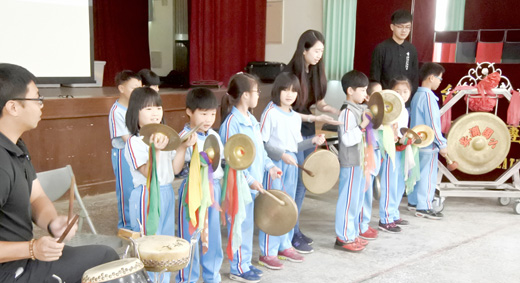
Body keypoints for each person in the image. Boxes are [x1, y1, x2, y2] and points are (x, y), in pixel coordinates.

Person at [0, 63, 119, 283]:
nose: (41, 105)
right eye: (37, 98)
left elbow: (35, 196)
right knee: (106, 260)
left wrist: (52, 221)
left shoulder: (16, 145)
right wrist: (32, 248)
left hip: (24, 260)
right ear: (13, 107)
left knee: (105, 257)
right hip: (9, 272)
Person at [124, 87, 196, 283]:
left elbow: (174, 170)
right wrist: (155, 150)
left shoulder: (166, 138)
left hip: (165, 192)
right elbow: (148, 174)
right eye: (148, 109)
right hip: (146, 195)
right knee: (148, 246)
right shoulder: (134, 142)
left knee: (164, 244)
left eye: (158, 107)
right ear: (135, 113)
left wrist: (181, 147)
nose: (155, 113)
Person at [258, 72, 325, 270]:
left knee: (288, 206)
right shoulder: (270, 113)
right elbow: (261, 144)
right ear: (277, 91)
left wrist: (312, 141)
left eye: (293, 91)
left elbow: (296, 145)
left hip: (292, 162)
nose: (289, 94)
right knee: (273, 207)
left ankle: (285, 245)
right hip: (275, 166)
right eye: (285, 90)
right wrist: (280, 155)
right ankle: (267, 252)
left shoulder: (295, 117)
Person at [219, 73, 281, 283]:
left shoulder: (252, 120)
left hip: (254, 183)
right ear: (245, 95)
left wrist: (270, 166)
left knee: (246, 226)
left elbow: (260, 151)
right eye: (256, 92)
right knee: (238, 225)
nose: (258, 96)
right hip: (239, 185)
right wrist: (248, 179)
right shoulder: (231, 124)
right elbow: (230, 160)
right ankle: (237, 267)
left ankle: (245, 263)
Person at [284, 29, 340, 253]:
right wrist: (316, 117)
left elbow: (320, 103)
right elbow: (285, 112)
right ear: (304, 50)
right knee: (294, 183)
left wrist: (336, 112)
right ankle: (288, 231)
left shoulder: (314, 72)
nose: (319, 56)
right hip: (292, 134)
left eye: (322, 52)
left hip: (308, 132)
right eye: (316, 51)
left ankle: (294, 229)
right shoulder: (289, 74)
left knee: (303, 183)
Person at [176, 87, 224, 283]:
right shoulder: (185, 137)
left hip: (213, 190)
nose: (209, 119)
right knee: (190, 237)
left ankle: (213, 277)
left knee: (212, 236)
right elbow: (178, 169)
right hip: (192, 191)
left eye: (212, 113)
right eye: (203, 113)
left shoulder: (215, 135)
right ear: (189, 111)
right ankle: (187, 279)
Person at [334, 70, 370, 252]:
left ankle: (352, 233)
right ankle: (343, 237)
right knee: (347, 200)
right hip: (350, 163)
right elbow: (348, 139)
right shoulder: (347, 112)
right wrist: (363, 125)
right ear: (350, 91)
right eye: (362, 90)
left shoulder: (358, 109)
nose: (365, 94)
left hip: (358, 162)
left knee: (355, 200)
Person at [408, 63, 447, 219]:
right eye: (439, 79)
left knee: (415, 173)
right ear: (431, 78)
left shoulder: (417, 94)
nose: (439, 82)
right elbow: (433, 124)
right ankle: (424, 206)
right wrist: (441, 143)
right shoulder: (428, 96)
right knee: (427, 175)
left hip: (415, 142)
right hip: (428, 144)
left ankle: (413, 202)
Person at [378, 76, 413, 233]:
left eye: (405, 91)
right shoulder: (387, 109)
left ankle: (393, 213)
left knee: (399, 183)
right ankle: (385, 218)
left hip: (401, 149)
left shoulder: (405, 110)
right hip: (390, 149)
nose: (402, 94)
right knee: (389, 183)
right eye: (397, 91)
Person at [108, 70, 142, 229]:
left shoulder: (136, 107)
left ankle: (138, 223)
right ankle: (126, 227)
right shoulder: (117, 111)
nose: (138, 92)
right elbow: (126, 139)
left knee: (138, 187)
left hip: (137, 152)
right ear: (121, 89)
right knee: (126, 190)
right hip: (123, 154)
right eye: (134, 88)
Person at [370, 9, 419, 102]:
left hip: (406, 101)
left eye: (407, 27)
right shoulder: (381, 48)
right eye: (400, 27)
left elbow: (414, 78)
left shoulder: (411, 49)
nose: (404, 30)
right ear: (392, 27)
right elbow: (375, 77)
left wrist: (408, 97)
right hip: (386, 100)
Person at [358, 81, 382, 240]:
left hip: (376, 154)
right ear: (368, 96)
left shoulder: (381, 114)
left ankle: (365, 223)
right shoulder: (365, 112)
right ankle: (361, 225)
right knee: (364, 191)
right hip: (366, 155)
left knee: (370, 190)